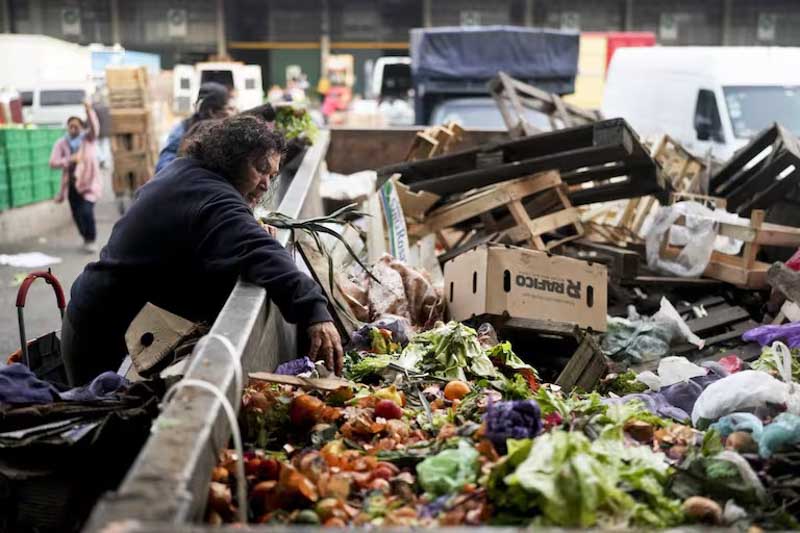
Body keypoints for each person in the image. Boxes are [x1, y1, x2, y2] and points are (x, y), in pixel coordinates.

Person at [61, 115, 343, 386]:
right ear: (231, 158)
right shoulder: (211, 196)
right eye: (259, 168)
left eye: (272, 174)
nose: (266, 184)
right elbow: (259, 251)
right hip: (101, 335)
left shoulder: (189, 172)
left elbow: (226, 230)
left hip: (101, 317)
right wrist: (315, 311)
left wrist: (248, 223)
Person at [50, 101, 101, 253]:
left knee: (86, 211)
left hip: (89, 182)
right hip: (72, 184)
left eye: (76, 126)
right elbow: (53, 162)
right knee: (77, 215)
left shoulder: (88, 139)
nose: (73, 129)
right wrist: (69, 160)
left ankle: (91, 239)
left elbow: (95, 127)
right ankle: (85, 236)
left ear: (81, 127)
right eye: (70, 126)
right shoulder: (61, 143)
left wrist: (89, 110)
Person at [154, 82, 235, 174]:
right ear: (212, 112)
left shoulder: (226, 131)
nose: (232, 113)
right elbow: (163, 168)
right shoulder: (183, 130)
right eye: (229, 108)